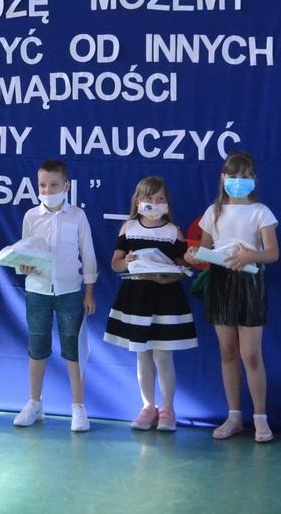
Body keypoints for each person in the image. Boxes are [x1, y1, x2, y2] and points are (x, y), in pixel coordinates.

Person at [186, 151, 279, 442]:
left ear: (254, 180)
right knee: (227, 352)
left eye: (245, 176)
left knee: (251, 354)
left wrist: (252, 255)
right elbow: (204, 252)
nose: (239, 181)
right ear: (223, 178)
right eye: (234, 176)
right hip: (219, 282)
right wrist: (192, 256)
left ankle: (261, 418)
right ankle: (234, 416)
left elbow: (272, 253)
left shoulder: (261, 212)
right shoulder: (212, 212)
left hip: (250, 281)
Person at [103, 177, 197, 431]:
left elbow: (183, 267)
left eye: (160, 199)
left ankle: (168, 409)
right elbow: (116, 264)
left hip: (165, 298)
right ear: (138, 202)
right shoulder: (128, 228)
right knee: (142, 354)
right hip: (136, 297)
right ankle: (148, 407)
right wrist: (126, 261)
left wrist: (171, 272)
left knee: (163, 355)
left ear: (167, 202)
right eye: (149, 199)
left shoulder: (173, 231)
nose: (155, 203)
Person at [13, 159, 97, 432]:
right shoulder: (31, 217)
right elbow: (24, 252)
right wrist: (23, 266)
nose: (47, 190)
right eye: (42, 185)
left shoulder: (78, 216)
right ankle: (34, 403)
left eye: (54, 185)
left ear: (66, 186)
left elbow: (88, 255)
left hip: (70, 292)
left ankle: (78, 407)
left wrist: (89, 293)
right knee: (37, 347)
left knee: (73, 350)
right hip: (37, 291)